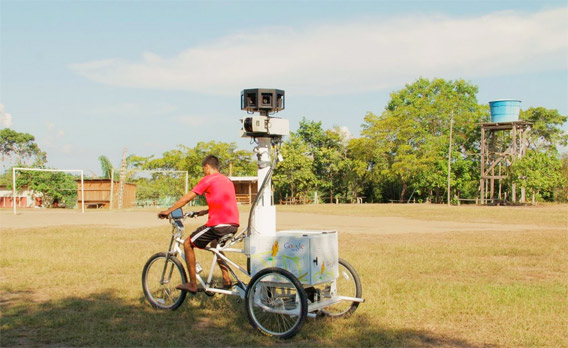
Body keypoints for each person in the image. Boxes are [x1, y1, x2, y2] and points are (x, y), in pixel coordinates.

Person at [158, 155, 239, 294]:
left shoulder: (208, 179)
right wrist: (204, 212)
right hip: (233, 224)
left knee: (188, 244)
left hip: (218, 225)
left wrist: (169, 211)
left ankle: (192, 284)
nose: (204, 172)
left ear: (207, 166)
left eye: (204, 169)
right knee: (215, 245)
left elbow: (187, 198)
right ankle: (226, 279)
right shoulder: (227, 180)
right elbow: (223, 203)